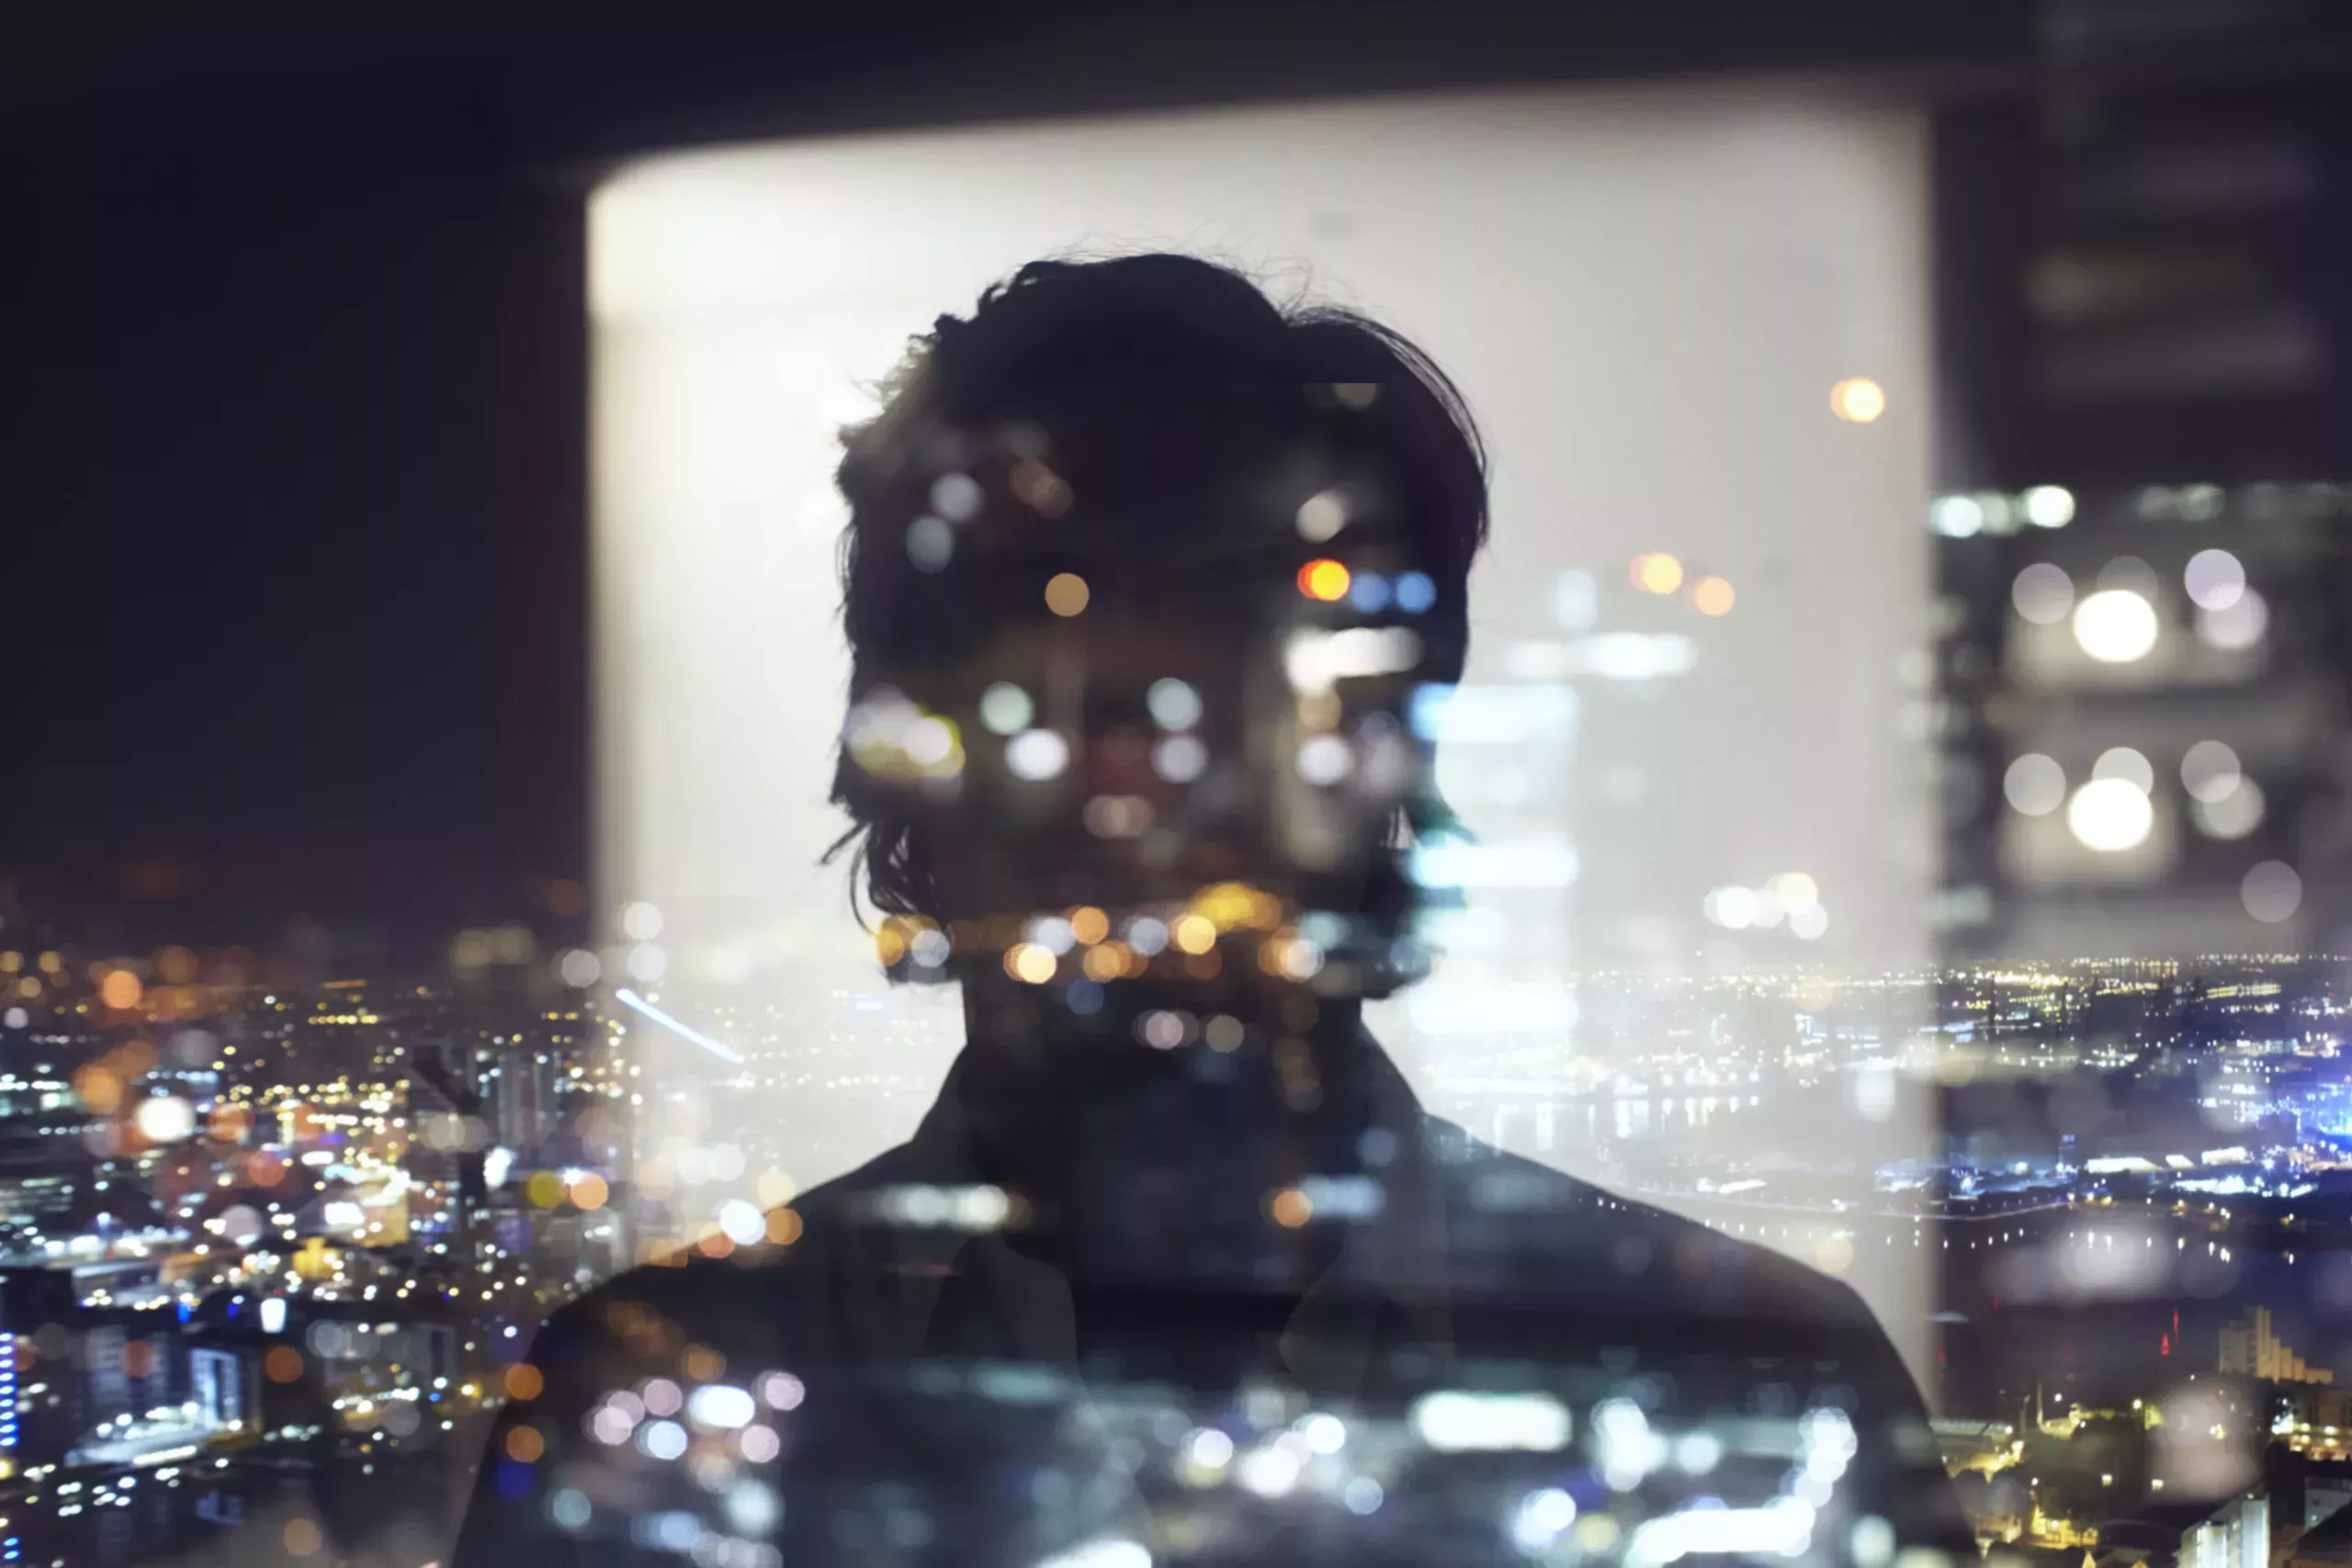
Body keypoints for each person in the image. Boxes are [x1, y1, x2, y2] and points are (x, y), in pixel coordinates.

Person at [452, 254, 1977, 1566]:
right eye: (1073, 712)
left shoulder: (667, 1412)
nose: (1145, 807)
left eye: (1236, 713)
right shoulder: (1750, 1396)